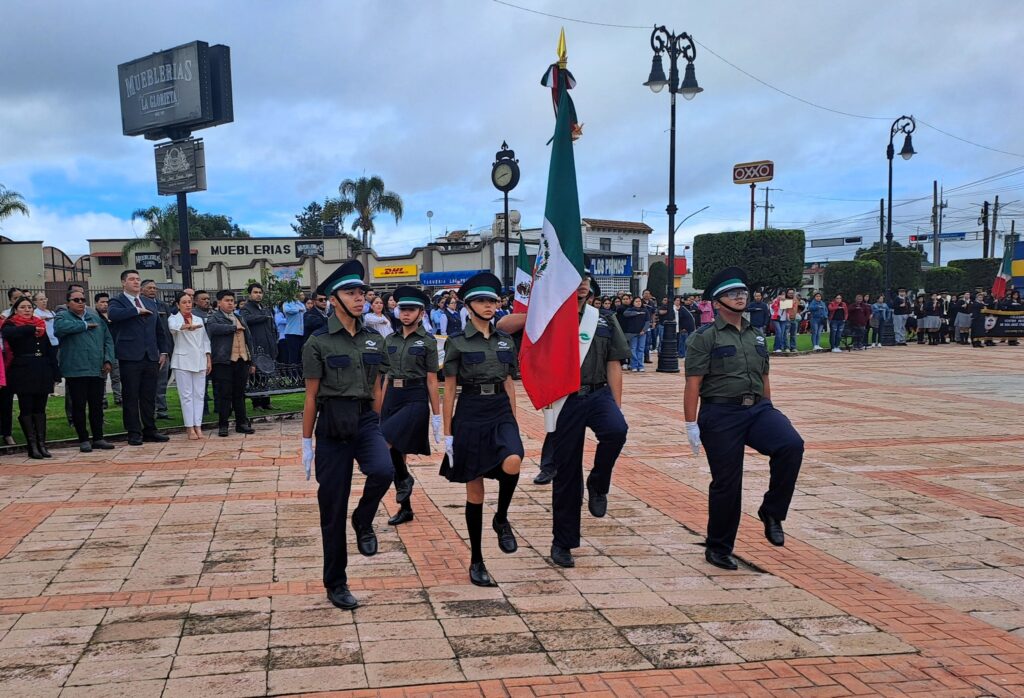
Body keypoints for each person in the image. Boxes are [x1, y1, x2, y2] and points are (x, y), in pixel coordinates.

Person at [683, 267, 804, 571]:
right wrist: (690, 424)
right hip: (720, 413)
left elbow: (764, 375)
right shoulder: (704, 338)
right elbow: (693, 383)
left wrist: (770, 408)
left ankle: (772, 511)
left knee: (791, 445)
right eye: (732, 294)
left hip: (758, 409)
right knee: (728, 483)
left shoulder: (757, 335)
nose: (740, 297)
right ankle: (719, 547)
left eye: (742, 293)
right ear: (717, 301)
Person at [300, 260, 394, 610]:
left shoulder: (373, 339)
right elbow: (311, 396)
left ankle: (364, 519)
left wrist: (380, 426)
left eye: (361, 293)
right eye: (351, 293)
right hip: (332, 426)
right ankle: (336, 583)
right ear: (333, 299)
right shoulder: (318, 342)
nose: (360, 299)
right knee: (333, 507)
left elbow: (377, 386)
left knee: (384, 471)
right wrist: (306, 442)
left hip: (365, 421)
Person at [441, 272, 523, 587]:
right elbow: (449, 390)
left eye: (492, 300)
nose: (489, 306)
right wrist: (447, 432)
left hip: (500, 408)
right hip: (471, 413)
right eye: (482, 301)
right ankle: (477, 559)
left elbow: (508, 382)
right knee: (474, 490)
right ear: (469, 305)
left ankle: (501, 518)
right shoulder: (457, 342)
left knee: (513, 459)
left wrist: (514, 420)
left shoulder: (504, 340)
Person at [548, 275, 629, 568]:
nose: (582, 284)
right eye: (575, 278)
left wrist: (616, 407)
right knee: (567, 472)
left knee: (617, 430)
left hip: (597, 393)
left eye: (586, 279)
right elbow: (509, 329)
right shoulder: (551, 317)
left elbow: (614, 363)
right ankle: (563, 542)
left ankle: (598, 482)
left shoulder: (604, 320)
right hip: (566, 399)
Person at [379, 286, 443, 526]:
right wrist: (381, 406)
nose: (405, 313)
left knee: (386, 440)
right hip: (392, 396)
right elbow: (385, 376)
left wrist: (436, 415)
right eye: (402, 309)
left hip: (415, 396)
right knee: (397, 451)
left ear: (421, 312)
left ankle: (404, 482)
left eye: (411, 309)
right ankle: (405, 506)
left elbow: (431, 378)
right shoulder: (390, 339)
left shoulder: (427, 342)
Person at [108, 270, 171, 446]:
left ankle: (150, 429)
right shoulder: (117, 301)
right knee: (131, 396)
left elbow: (159, 329)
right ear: (123, 282)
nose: (136, 282)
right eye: (132, 279)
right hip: (130, 356)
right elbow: (113, 315)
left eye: (138, 279)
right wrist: (136, 310)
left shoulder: (149, 302)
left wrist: (163, 351)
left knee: (148, 395)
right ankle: (134, 432)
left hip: (151, 355)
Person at [54, 289, 115, 452]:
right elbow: (59, 329)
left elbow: (108, 339)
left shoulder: (95, 317)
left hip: (96, 368)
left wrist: (108, 359)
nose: (80, 302)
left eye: (82, 299)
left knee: (97, 405)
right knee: (79, 406)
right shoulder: (62, 316)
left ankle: (98, 438)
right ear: (68, 303)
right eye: (76, 300)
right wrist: (84, 325)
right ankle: (83, 439)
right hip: (76, 369)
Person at [2, 296, 59, 458]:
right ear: (16, 309)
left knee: (40, 408)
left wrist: (55, 371)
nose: (27, 310)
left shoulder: (40, 324)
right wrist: (28, 328)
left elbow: (49, 349)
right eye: (23, 307)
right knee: (26, 407)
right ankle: (32, 445)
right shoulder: (11, 323)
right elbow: (8, 334)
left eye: (29, 307)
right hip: (22, 370)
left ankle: (42, 443)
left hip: (41, 368)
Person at [205, 290, 256, 438]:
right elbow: (213, 329)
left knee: (239, 394)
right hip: (223, 361)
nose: (230, 303)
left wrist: (251, 360)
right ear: (219, 302)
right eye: (227, 300)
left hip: (242, 360)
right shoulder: (214, 317)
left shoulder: (239, 317)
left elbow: (249, 339)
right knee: (224, 394)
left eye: (232, 301)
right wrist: (233, 328)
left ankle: (241, 423)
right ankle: (223, 425)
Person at [168, 292, 212, 439]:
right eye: (184, 302)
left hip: (200, 360)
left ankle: (198, 425)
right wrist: (187, 326)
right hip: (182, 361)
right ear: (177, 305)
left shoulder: (199, 319)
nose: (188, 305)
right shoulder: (174, 319)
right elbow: (174, 328)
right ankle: (189, 427)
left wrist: (208, 357)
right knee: (186, 395)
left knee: (199, 394)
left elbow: (205, 340)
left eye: (189, 302)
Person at [240, 283, 278, 410]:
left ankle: (266, 401)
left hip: (268, 345)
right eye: (255, 292)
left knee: (266, 375)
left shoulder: (265, 308)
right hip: (256, 346)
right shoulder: (246, 308)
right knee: (255, 376)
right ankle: (256, 403)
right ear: (250, 294)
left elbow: (272, 326)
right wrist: (263, 317)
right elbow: (246, 320)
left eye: (260, 292)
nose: (258, 295)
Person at [141, 280, 173, 419]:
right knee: (149, 384)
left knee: (162, 382)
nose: (153, 290)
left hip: (163, 349)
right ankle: (150, 411)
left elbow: (167, 328)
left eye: (155, 288)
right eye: (149, 288)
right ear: (142, 290)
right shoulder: (140, 304)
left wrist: (166, 350)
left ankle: (162, 410)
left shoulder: (162, 305)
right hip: (147, 350)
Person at [93, 293, 122, 407]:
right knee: (103, 376)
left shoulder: (113, 315)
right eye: (102, 302)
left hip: (114, 349)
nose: (105, 305)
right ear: (96, 303)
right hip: (101, 349)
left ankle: (118, 397)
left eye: (107, 302)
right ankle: (103, 398)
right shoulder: (94, 316)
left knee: (116, 376)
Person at [620, 296, 647, 372]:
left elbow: (647, 321)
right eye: (636, 301)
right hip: (632, 333)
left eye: (639, 301)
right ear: (633, 302)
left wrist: (644, 330)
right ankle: (634, 365)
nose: (638, 303)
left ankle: (640, 365)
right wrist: (637, 313)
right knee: (633, 349)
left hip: (642, 333)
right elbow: (626, 314)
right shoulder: (630, 310)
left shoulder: (645, 310)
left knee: (641, 349)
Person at [282, 294, 306, 364]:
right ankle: (292, 374)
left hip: (301, 333)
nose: (302, 296)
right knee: (293, 356)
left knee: (300, 355)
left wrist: (300, 308)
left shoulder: (301, 304)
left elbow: (304, 310)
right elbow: (287, 310)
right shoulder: (287, 303)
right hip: (291, 332)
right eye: (300, 294)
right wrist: (298, 309)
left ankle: (298, 373)